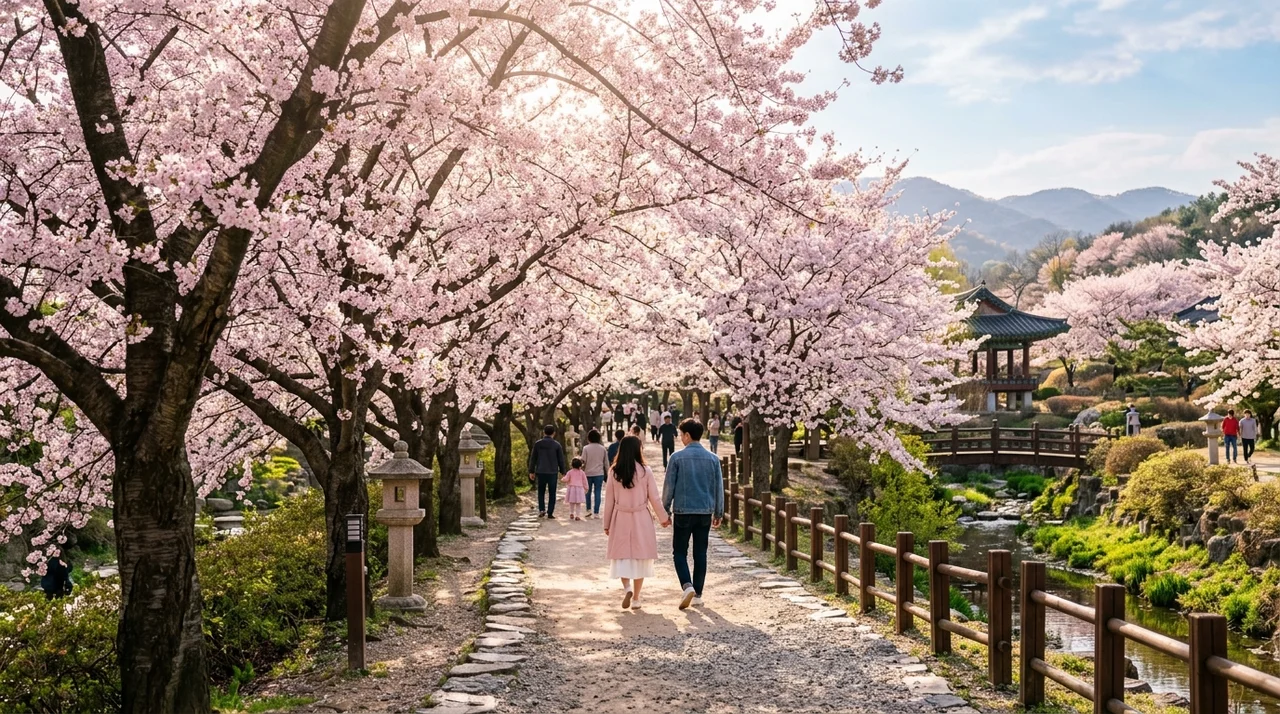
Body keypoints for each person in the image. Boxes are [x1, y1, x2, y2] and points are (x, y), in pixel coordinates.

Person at [602, 435, 669, 609]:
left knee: (622, 555)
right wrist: (663, 518)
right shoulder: (645, 471)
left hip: (620, 517)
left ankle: (627, 588)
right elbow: (654, 497)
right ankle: (637, 599)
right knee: (640, 558)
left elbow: (609, 500)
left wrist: (606, 523)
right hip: (641, 517)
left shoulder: (614, 471)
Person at [663, 419, 724, 609]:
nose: (680, 438)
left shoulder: (676, 458)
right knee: (700, 552)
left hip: (683, 511)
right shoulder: (713, 459)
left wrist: (665, 510)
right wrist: (718, 512)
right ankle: (697, 593)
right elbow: (718, 488)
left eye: (681, 434)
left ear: (687, 435)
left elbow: (669, 488)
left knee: (679, 552)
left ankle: (687, 585)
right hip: (705, 512)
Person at [528, 424, 567, 519]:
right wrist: (563, 471)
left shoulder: (538, 444)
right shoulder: (557, 445)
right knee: (552, 492)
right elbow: (561, 459)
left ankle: (542, 509)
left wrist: (531, 471)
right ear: (554, 433)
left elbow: (533, 458)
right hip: (552, 471)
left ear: (544, 432)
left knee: (541, 492)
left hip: (541, 471)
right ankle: (550, 512)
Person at [581, 429, 609, 519]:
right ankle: (596, 512)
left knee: (587, 492)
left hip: (588, 473)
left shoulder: (586, 448)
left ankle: (588, 510)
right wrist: (608, 473)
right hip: (599, 474)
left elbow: (583, 461)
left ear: (588, 438)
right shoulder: (602, 448)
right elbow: (606, 463)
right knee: (598, 492)